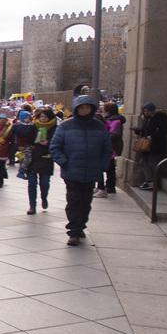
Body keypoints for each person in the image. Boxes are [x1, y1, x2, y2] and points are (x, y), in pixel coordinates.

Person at [50, 95, 113, 246]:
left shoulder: (99, 126)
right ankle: (73, 231)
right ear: (77, 109)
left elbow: (107, 149)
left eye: (87, 108)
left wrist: (103, 165)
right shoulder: (65, 126)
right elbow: (55, 147)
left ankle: (80, 225)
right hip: (72, 172)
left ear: (91, 109)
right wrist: (65, 162)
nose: (84, 110)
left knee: (86, 202)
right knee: (74, 202)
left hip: (91, 171)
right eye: (82, 108)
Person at [15, 107, 57, 215]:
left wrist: (49, 142)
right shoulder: (33, 126)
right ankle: (32, 205)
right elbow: (20, 135)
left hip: (46, 158)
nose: (43, 119)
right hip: (32, 158)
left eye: (46, 117)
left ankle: (44, 197)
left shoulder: (55, 129)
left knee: (44, 183)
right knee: (32, 183)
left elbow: (59, 141)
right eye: (41, 116)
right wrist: (20, 146)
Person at [133, 101, 167, 190]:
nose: (146, 112)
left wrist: (152, 136)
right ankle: (149, 180)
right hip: (147, 144)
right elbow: (147, 130)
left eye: (148, 110)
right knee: (144, 162)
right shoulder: (147, 119)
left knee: (152, 163)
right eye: (145, 111)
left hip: (155, 145)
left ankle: (153, 181)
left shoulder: (158, 118)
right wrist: (138, 130)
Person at [98, 101, 126, 196]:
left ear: (108, 111)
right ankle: (107, 186)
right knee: (109, 166)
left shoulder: (115, 120)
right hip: (109, 146)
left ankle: (110, 186)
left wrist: (104, 139)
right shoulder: (109, 119)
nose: (103, 111)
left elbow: (115, 134)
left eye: (104, 109)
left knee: (109, 167)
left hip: (111, 146)